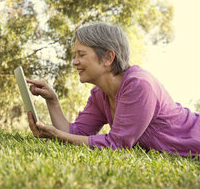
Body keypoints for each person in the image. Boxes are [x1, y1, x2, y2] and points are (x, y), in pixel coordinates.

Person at [26, 22, 200, 157]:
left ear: (108, 57)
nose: (75, 62)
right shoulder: (99, 95)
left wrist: (58, 136)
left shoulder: (139, 84)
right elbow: (76, 134)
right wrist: (52, 100)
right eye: (75, 55)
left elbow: (117, 145)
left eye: (81, 54)